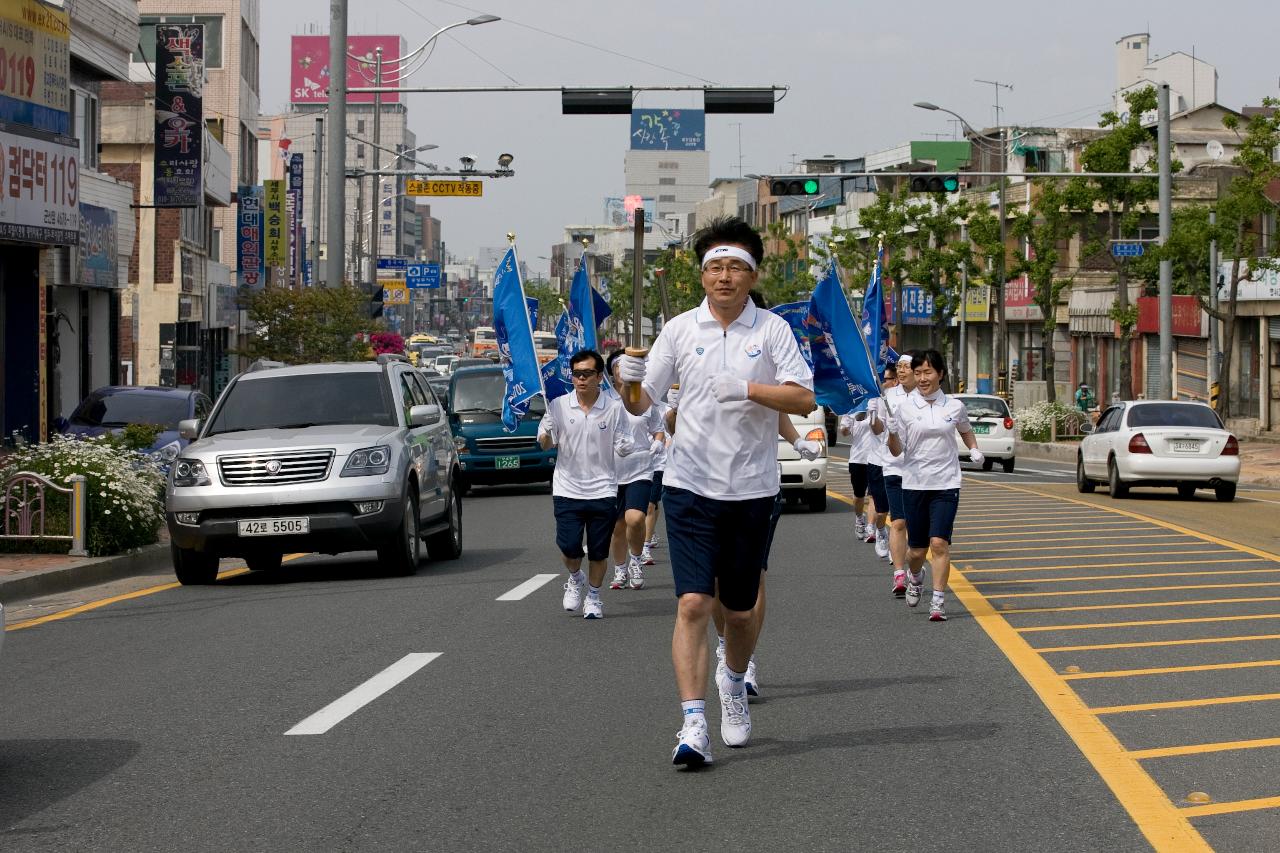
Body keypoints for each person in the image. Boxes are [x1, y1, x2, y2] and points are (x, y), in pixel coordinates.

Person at [615, 216, 814, 767]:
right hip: (689, 484)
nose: (724, 277)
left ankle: (733, 680)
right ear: (702, 277)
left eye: (735, 268)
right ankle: (693, 723)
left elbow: (802, 398)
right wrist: (627, 377)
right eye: (714, 268)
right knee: (694, 602)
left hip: (751, 487)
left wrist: (748, 389)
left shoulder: (772, 331)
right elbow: (641, 404)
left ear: (751, 275)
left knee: (741, 613)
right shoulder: (679, 330)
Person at [884, 349, 982, 622]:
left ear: (940, 373)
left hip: (946, 482)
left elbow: (965, 429)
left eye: (927, 372)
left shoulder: (954, 406)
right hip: (914, 483)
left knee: (939, 543)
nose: (922, 378)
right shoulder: (904, 408)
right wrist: (892, 430)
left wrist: (973, 448)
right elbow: (895, 452)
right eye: (918, 373)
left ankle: (938, 601)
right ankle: (916, 577)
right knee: (916, 551)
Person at [537, 349, 635, 620]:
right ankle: (574, 577)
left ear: (599, 377)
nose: (581, 379)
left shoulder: (613, 408)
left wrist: (627, 446)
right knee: (569, 547)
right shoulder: (557, 406)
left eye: (587, 374)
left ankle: (593, 596)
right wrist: (546, 435)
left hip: (603, 488)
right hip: (567, 488)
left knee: (598, 550)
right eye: (576, 374)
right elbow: (545, 442)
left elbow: (624, 441)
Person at [606, 349, 666, 590]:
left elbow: (657, 428)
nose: (624, 370)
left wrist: (658, 442)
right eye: (620, 366)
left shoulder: (644, 399)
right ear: (613, 373)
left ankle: (635, 559)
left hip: (640, 467)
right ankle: (620, 569)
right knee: (617, 525)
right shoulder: (604, 403)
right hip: (610, 471)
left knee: (636, 517)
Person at [869, 354, 916, 595]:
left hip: (919, 471)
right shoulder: (888, 396)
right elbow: (878, 430)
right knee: (898, 522)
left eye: (906, 366)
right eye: (899, 366)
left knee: (918, 529)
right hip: (893, 466)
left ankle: (915, 569)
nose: (901, 370)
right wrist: (873, 416)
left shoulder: (925, 397)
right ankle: (899, 573)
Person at [839, 403, 877, 545]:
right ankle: (859, 518)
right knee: (859, 496)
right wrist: (849, 421)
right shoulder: (852, 407)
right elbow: (844, 432)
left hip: (876, 458)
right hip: (858, 459)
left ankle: (870, 527)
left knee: (874, 495)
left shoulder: (876, 404)